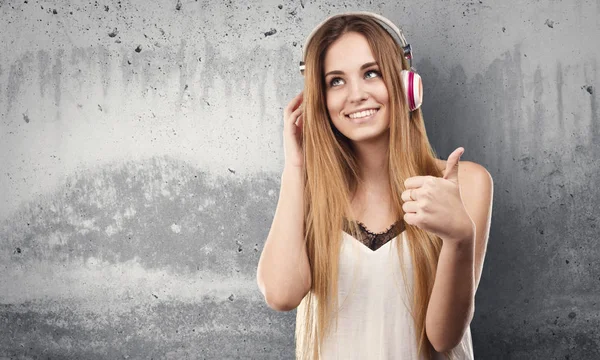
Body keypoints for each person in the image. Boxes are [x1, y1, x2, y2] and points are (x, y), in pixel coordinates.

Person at [256, 11, 493, 360]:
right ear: (317, 100)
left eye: (371, 73)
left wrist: (459, 238)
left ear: (406, 85)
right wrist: (296, 166)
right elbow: (281, 295)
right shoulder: (308, 192)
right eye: (336, 81)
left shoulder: (466, 182)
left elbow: (444, 338)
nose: (356, 95)